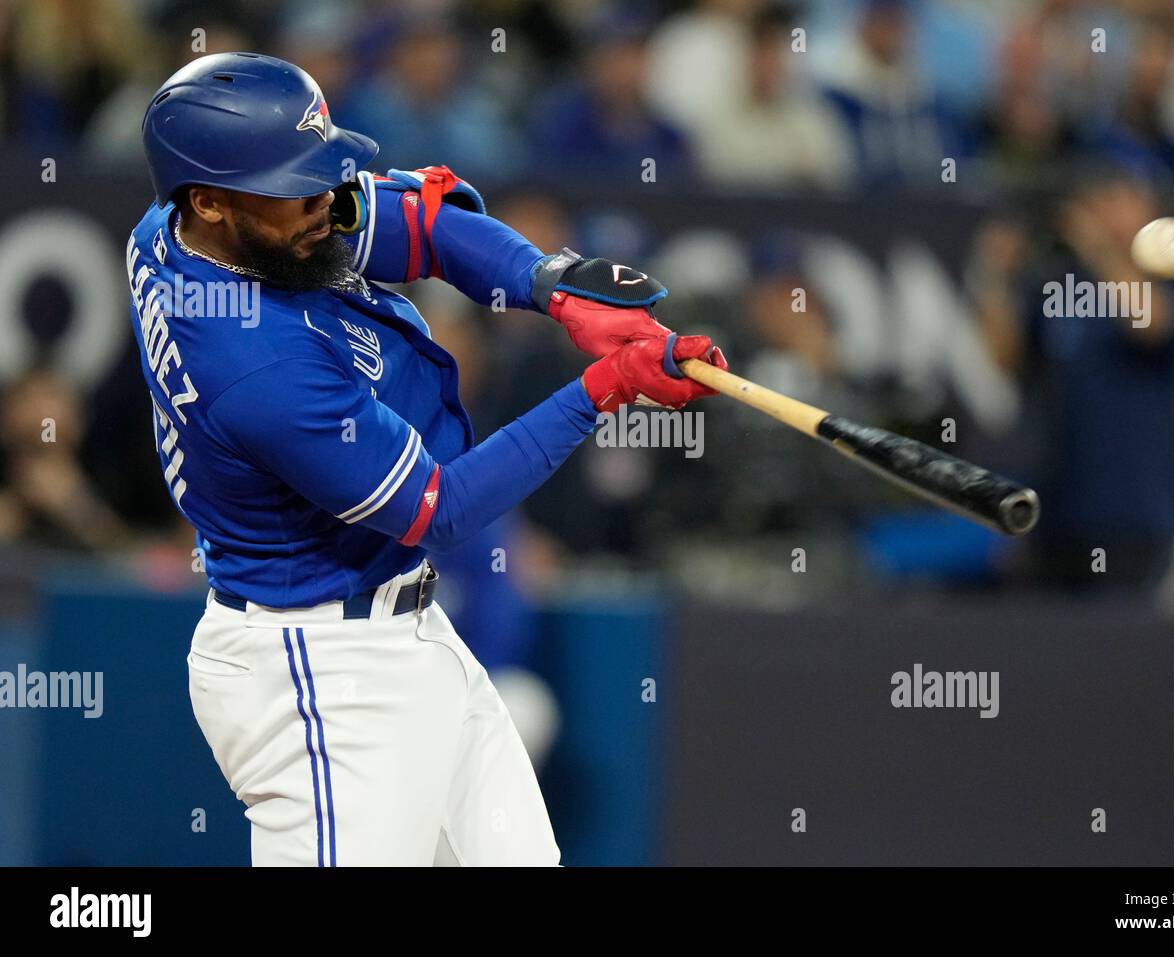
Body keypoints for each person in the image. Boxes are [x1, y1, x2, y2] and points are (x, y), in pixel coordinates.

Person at [128, 52, 726, 866]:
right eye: (299, 191)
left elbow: (420, 223)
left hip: (404, 628)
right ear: (209, 200)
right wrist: (606, 387)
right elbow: (437, 507)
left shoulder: (183, 226)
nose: (325, 206)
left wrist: (550, 281)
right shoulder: (250, 361)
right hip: (319, 675)